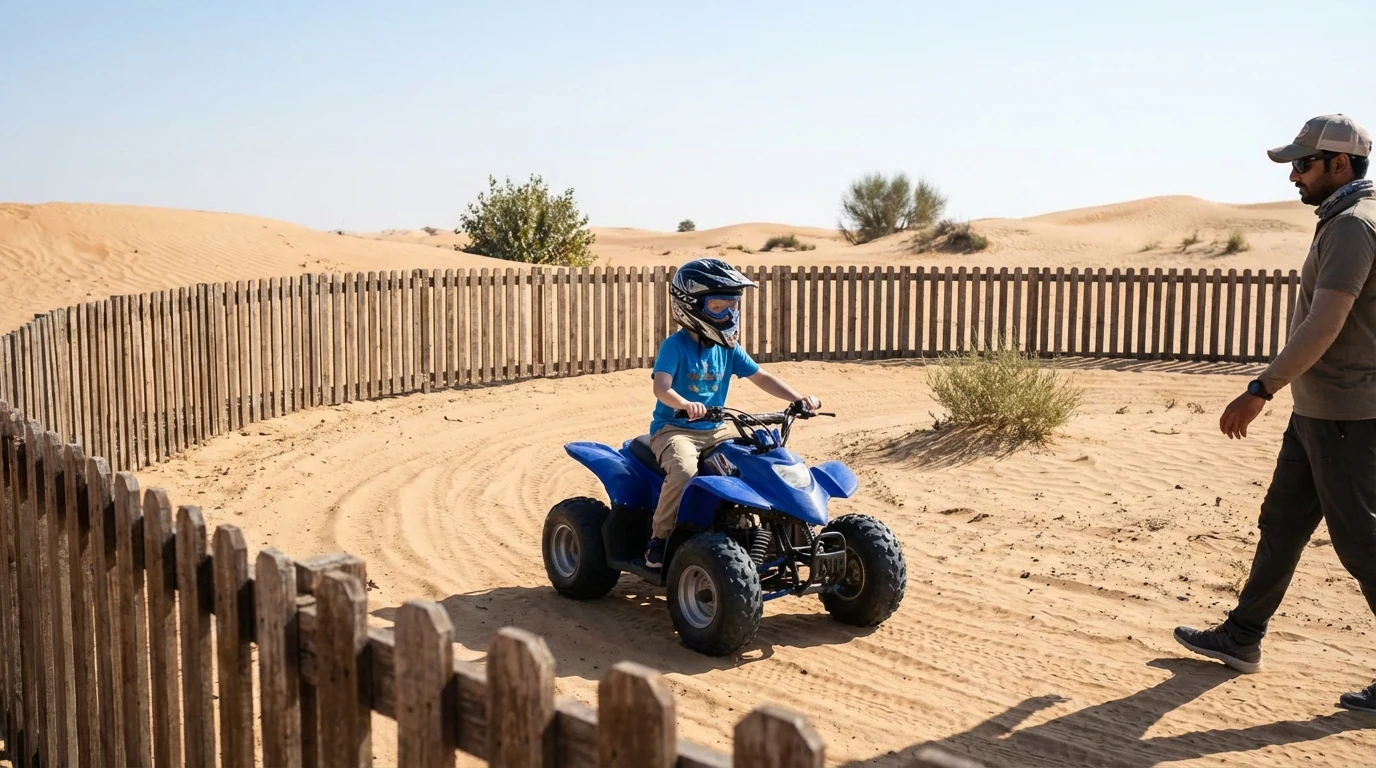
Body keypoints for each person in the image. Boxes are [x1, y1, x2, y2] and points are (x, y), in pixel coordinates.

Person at [1173, 113, 1376, 713]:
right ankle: (1242, 636)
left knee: (1363, 545)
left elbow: (1324, 323)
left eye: (1303, 164)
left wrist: (1262, 388)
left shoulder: (1353, 227)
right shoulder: (1343, 218)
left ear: (1340, 163)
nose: (1293, 176)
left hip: (1346, 414)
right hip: (1318, 409)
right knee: (1282, 522)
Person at [643, 257, 820, 569]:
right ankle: (660, 538)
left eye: (732, 306)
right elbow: (661, 388)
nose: (727, 314)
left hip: (717, 429)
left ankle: (773, 529)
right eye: (717, 307)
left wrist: (798, 399)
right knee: (684, 470)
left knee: (762, 457)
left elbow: (761, 376)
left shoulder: (728, 348)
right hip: (675, 429)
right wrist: (684, 404)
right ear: (690, 306)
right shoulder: (675, 345)